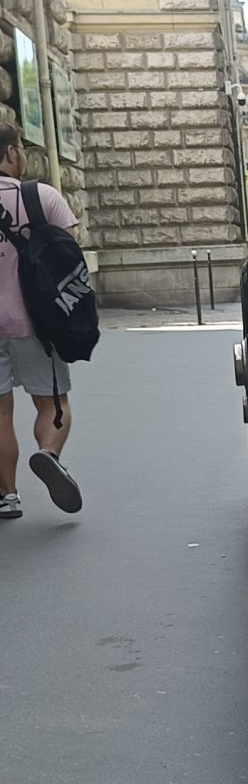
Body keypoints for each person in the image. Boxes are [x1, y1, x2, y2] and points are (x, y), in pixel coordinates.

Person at [0, 121, 83, 518]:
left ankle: (7, 495)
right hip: (34, 321)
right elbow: (70, 255)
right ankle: (48, 454)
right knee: (52, 403)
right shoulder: (41, 197)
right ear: (12, 152)